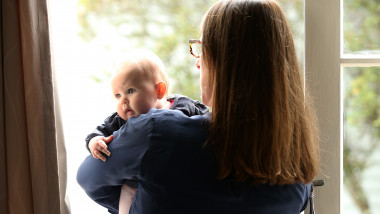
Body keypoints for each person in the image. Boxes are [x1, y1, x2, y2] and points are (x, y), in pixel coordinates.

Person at [77, 0, 320, 213]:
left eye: (203, 50)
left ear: (228, 65)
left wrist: (143, 194)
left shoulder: (157, 134)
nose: (197, 64)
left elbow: (89, 177)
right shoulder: (296, 167)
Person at [83, 49, 208, 214]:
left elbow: (208, 120)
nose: (123, 101)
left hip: (178, 180)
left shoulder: (184, 106)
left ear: (159, 91)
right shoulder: (121, 119)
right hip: (135, 185)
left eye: (131, 91)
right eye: (118, 95)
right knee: (127, 197)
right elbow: (99, 131)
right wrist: (95, 142)